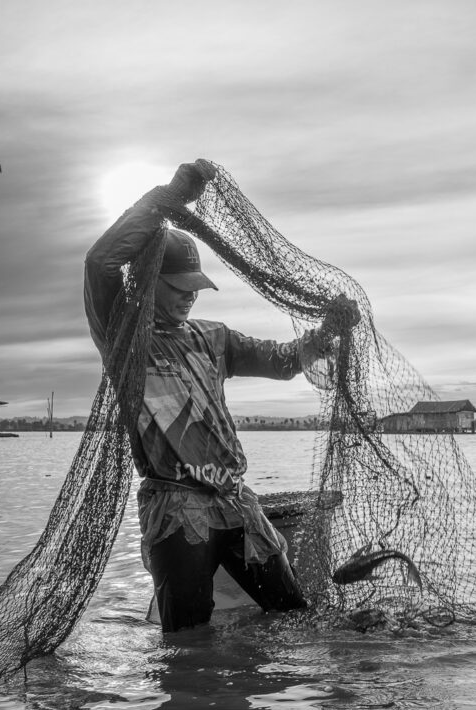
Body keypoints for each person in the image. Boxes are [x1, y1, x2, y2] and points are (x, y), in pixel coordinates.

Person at [83, 161, 352, 631]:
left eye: (196, 288)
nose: (191, 296)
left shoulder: (212, 337)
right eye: (178, 287)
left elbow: (283, 360)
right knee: (186, 642)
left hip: (235, 504)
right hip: (175, 511)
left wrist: (325, 333)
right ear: (149, 282)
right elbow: (99, 264)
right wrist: (168, 197)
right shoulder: (125, 337)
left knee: (294, 617)